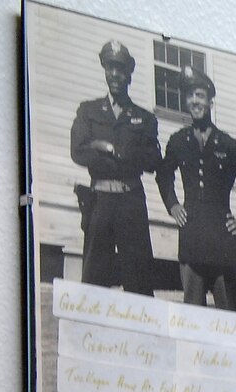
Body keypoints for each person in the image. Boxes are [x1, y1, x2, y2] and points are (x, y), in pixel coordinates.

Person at [155, 68, 236, 313]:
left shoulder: (230, 145)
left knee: (229, 321)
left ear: (210, 101)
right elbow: (163, 175)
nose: (195, 101)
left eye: (200, 95)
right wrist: (172, 204)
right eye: (190, 96)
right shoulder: (177, 142)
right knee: (192, 320)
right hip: (192, 240)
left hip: (223, 244)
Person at [69, 41, 162, 292]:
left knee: (139, 281)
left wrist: (111, 149)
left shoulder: (145, 118)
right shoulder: (88, 110)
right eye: (110, 68)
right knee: (94, 282)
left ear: (129, 74)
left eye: (120, 69)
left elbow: (153, 160)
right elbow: (78, 151)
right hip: (99, 202)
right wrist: (126, 159)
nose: (115, 75)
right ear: (104, 70)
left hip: (131, 201)